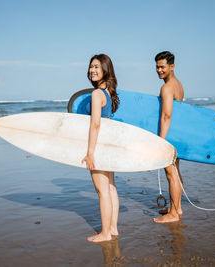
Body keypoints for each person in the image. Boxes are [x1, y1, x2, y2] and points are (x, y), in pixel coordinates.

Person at [81, 54, 120, 242]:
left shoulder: (97, 94)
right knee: (111, 187)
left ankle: (105, 234)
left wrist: (90, 153)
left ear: (105, 69)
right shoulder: (109, 93)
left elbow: (95, 124)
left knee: (102, 190)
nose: (92, 70)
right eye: (91, 67)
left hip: (99, 147)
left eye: (96, 66)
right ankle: (112, 228)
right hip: (109, 145)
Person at [153, 51, 184, 223]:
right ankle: (176, 208)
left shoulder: (167, 87)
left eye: (162, 66)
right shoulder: (178, 85)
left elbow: (166, 115)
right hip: (177, 134)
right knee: (176, 173)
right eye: (157, 67)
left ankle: (173, 215)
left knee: (171, 173)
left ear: (171, 66)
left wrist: (161, 142)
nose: (158, 70)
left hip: (169, 135)